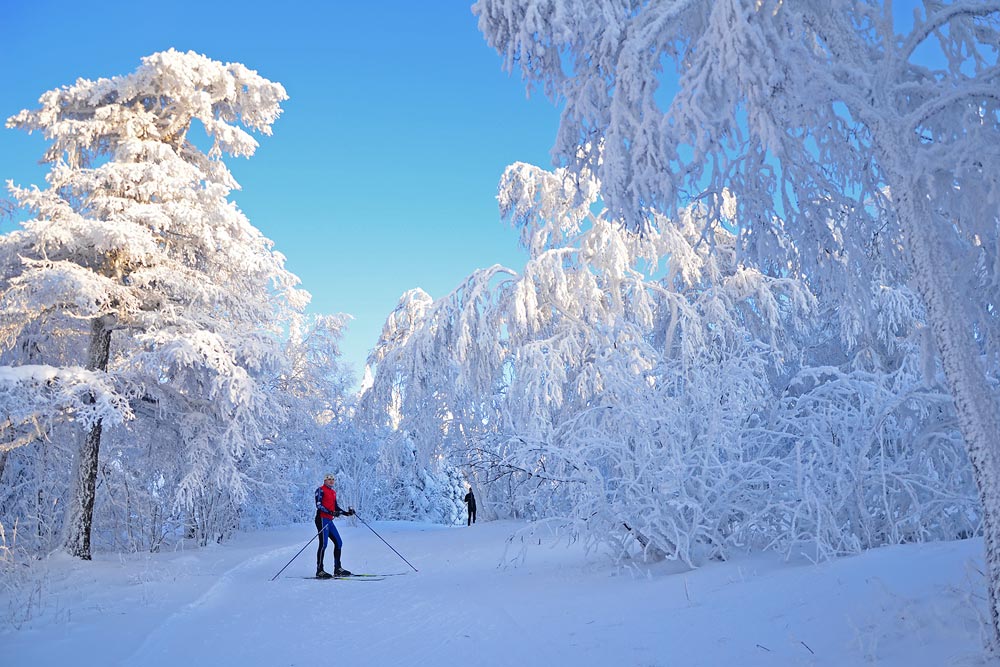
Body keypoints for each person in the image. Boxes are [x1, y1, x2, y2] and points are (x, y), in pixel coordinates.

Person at [314, 473, 355, 578]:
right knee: (323, 544)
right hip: (322, 519)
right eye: (329, 479)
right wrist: (331, 512)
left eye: (333, 479)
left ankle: (337, 568)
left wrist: (347, 513)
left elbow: (336, 507)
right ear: (325, 481)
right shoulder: (320, 490)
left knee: (339, 542)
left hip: (329, 520)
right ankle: (319, 570)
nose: (331, 481)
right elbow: (319, 506)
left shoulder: (333, 492)